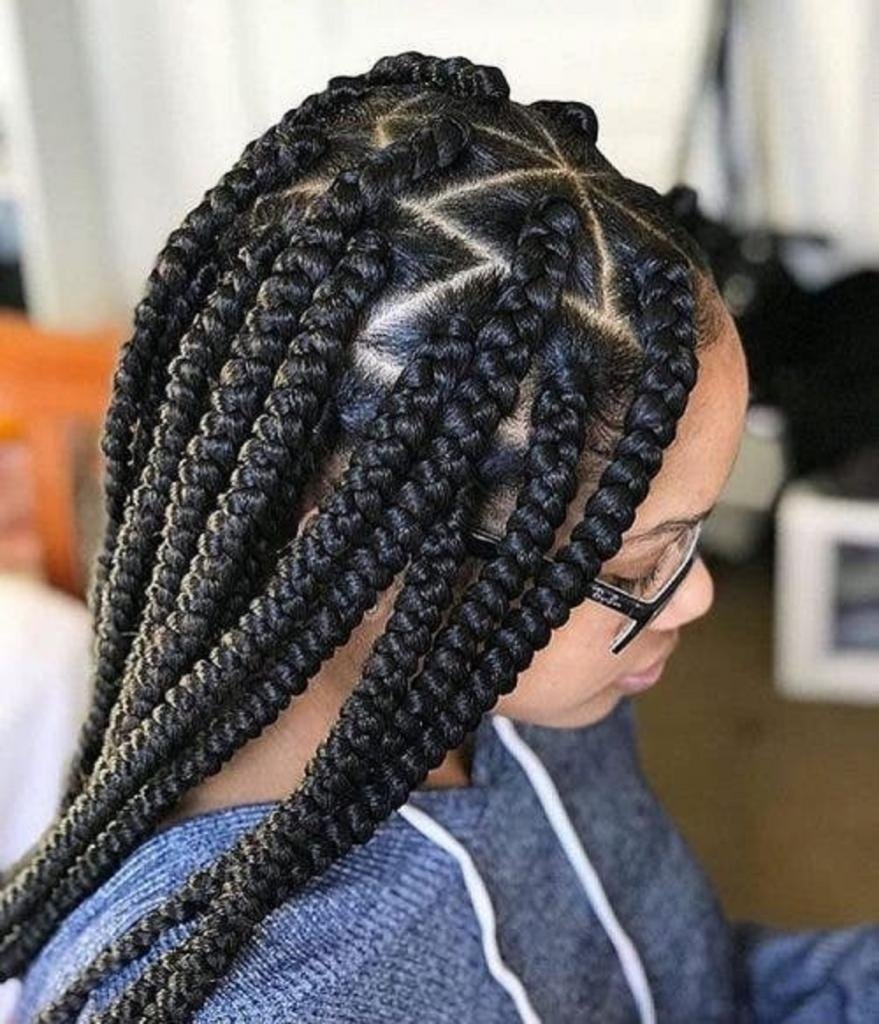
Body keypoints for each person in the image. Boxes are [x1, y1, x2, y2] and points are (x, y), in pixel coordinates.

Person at [3, 52, 876, 1024]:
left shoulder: (524, 681)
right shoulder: (264, 1000)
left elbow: (685, 980)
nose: (699, 595)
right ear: (362, 560)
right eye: (639, 562)